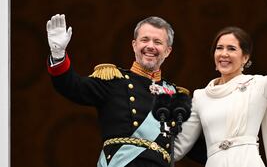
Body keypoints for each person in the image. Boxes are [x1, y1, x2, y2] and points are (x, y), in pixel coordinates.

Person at [173, 0, 267, 167]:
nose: (224, 54)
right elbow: (179, 147)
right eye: (219, 48)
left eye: (231, 49)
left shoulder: (258, 86)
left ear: (245, 57)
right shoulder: (200, 96)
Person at [46, 15, 188, 167]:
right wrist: (58, 54)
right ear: (134, 45)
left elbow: (197, 143)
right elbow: (72, 86)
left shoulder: (176, 97)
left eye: (157, 42)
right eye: (145, 40)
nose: (150, 46)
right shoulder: (114, 80)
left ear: (168, 51)